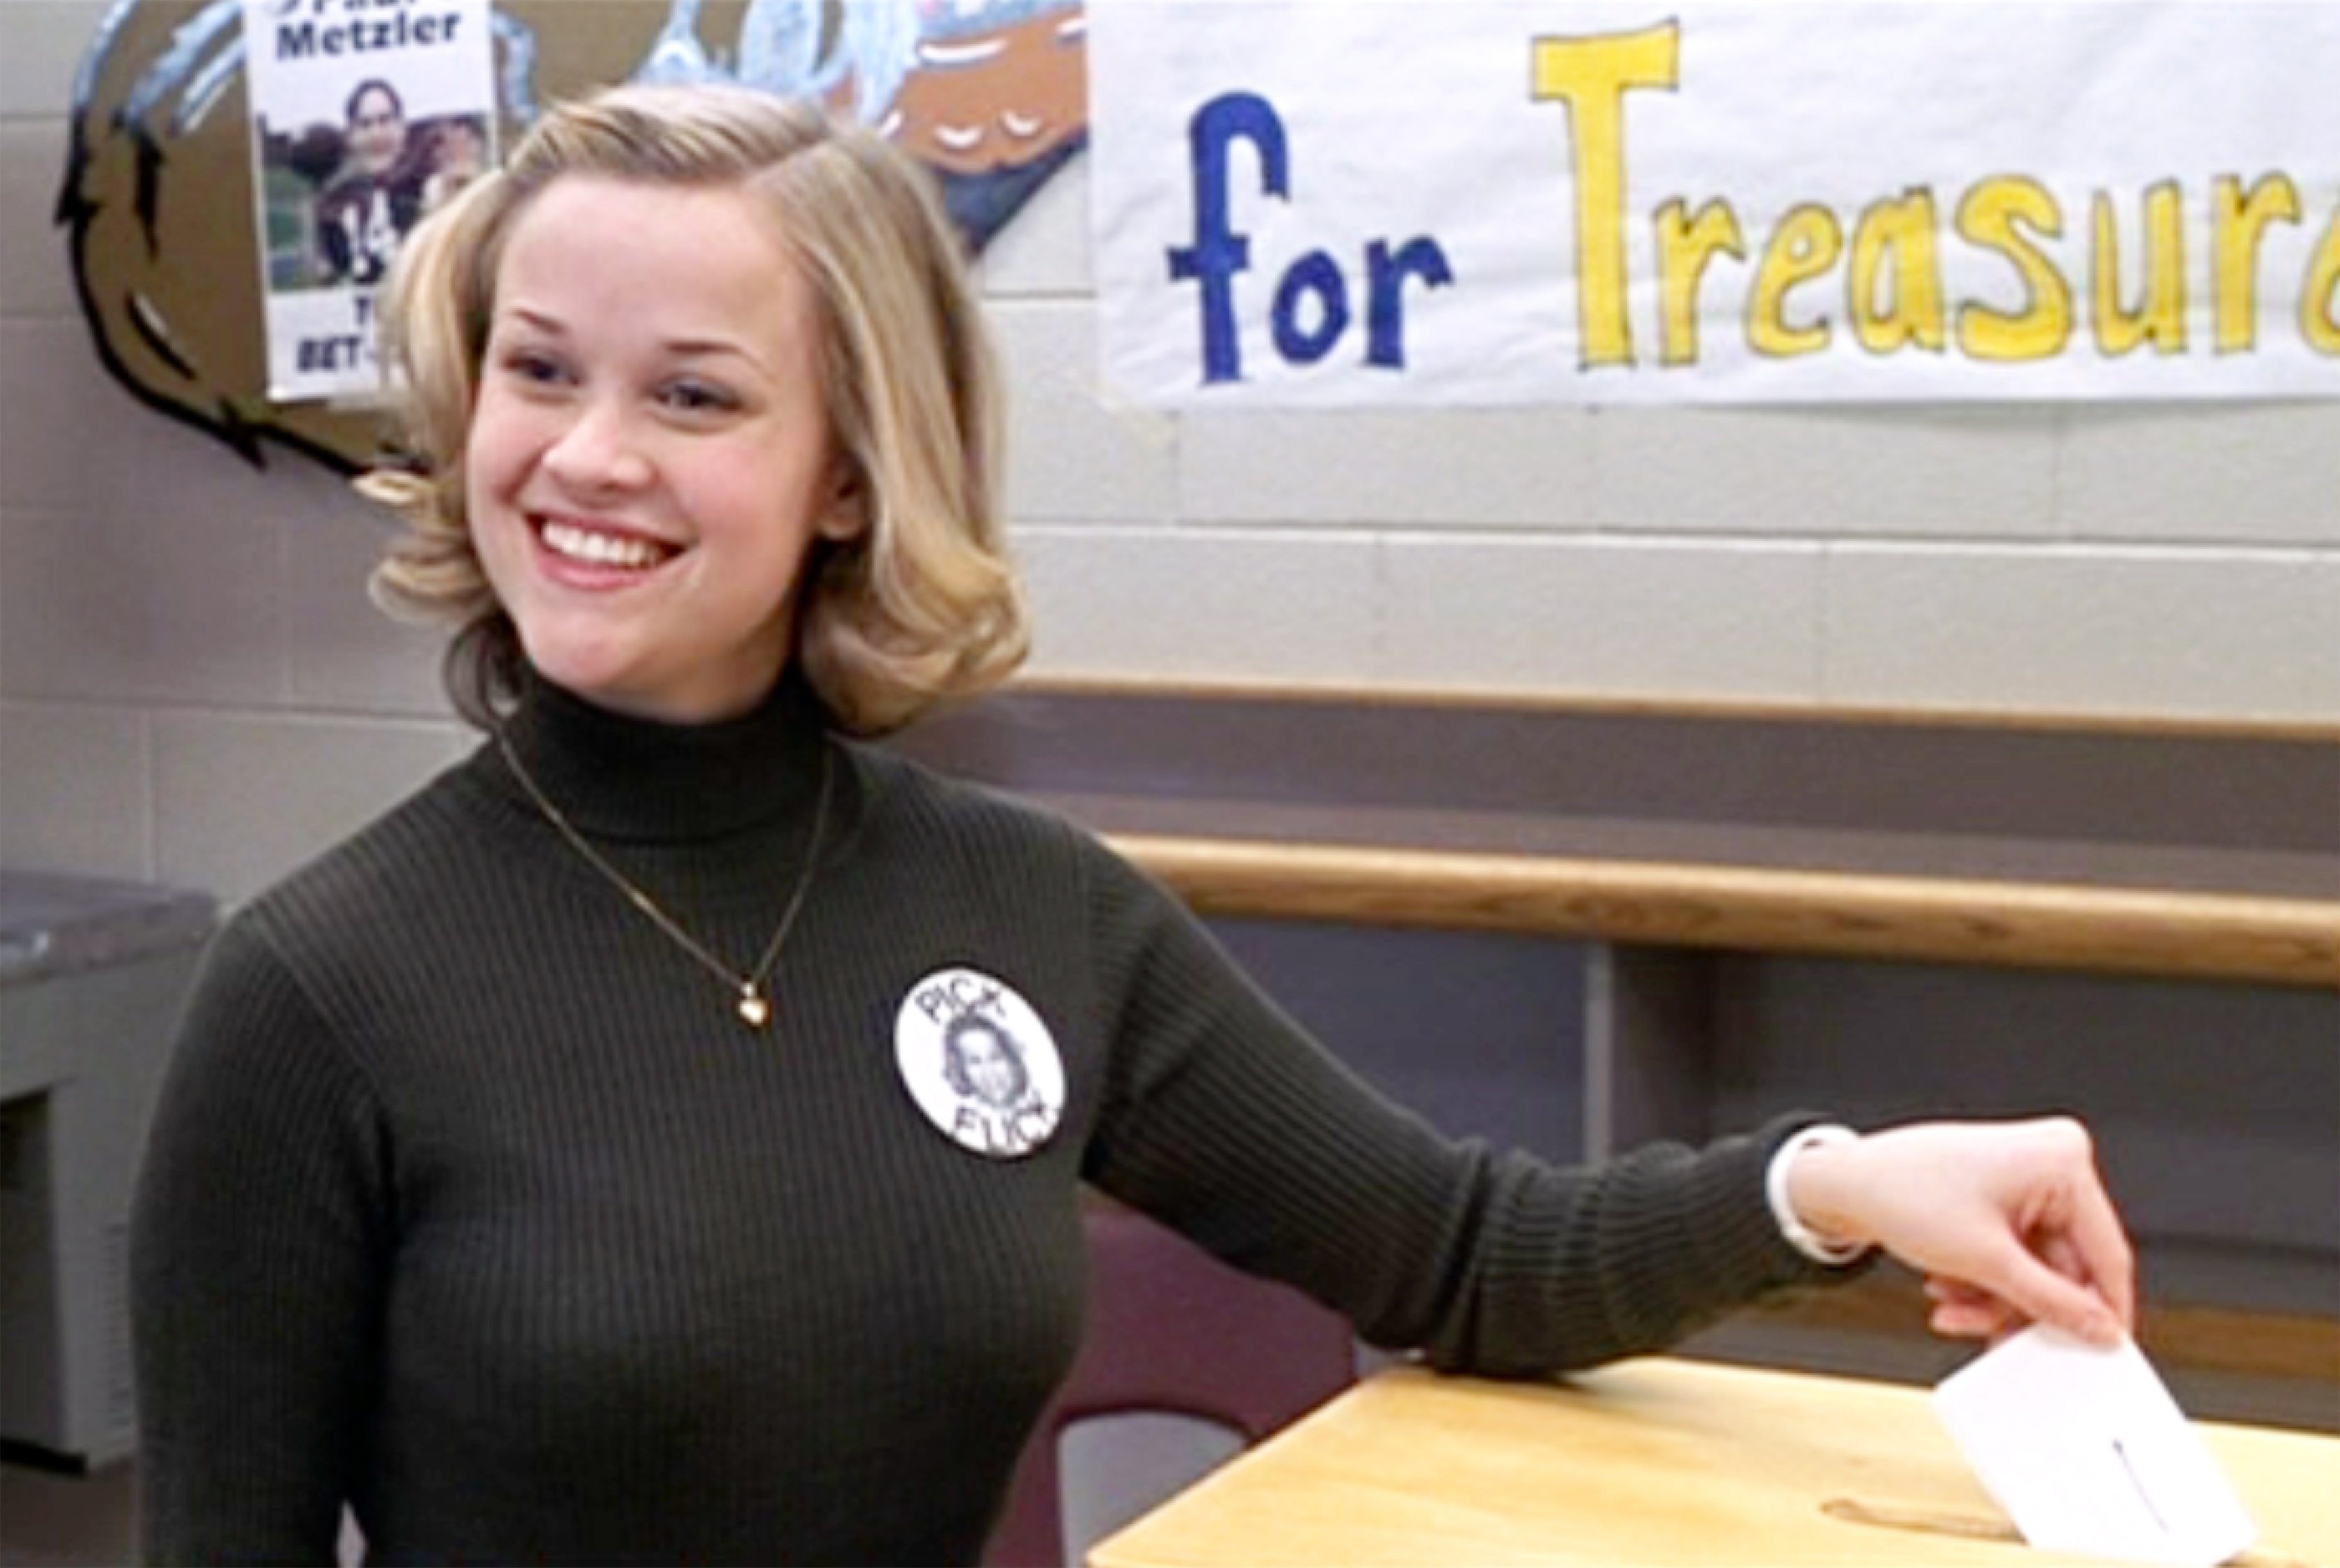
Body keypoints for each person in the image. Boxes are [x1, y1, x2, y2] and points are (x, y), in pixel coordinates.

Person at [130, 83, 2135, 1566]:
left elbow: (1457, 1252)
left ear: (852, 470)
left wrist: (1840, 1184)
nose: (583, 454)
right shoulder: (321, 989)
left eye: (695, 397)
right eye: (536, 370)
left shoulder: (1021, 907)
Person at [315, 78, 426, 286]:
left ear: (402, 128)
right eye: (365, 124)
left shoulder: (428, 194)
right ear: (350, 136)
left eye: (385, 120)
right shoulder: (332, 206)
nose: (376, 134)